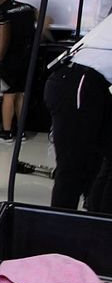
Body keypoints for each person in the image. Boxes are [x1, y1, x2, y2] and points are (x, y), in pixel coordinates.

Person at [44, 13, 112, 211]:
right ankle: (60, 229)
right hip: (78, 81)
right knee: (72, 166)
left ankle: (98, 218)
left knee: (102, 158)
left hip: (88, 82)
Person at [0, 0, 38, 141]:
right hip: (27, 58)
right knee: (21, 95)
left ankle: (6, 132)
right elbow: (45, 21)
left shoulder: (2, 12)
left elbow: (3, 37)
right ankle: (21, 131)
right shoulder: (28, 8)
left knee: (8, 95)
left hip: (10, 59)